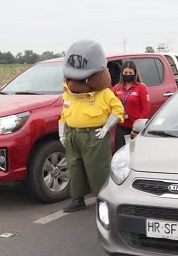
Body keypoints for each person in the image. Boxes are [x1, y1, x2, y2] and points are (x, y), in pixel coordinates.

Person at [59, 40, 125, 213]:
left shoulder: (104, 93)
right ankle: (77, 198)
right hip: (73, 134)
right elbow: (64, 114)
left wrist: (106, 128)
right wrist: (62, 133)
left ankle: (103, 198)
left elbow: (118, 109)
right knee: (75, 168)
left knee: (98, 169)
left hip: (93, 135)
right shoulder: (68, 93)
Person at [111, 61, 150, 150]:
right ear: (122, 73)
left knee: (134, 151)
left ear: (135, 73)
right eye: (125, 73)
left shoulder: (141, 88)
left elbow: (146, 109)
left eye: (130, 73)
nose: (128, 75)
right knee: (120, 150)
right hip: (121, 125)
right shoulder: (117, 88)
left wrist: (136, 128)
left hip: (135, 127)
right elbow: (111, 105)